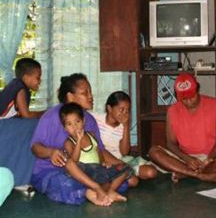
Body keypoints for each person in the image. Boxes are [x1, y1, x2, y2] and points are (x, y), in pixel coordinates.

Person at [30, 73, 138, 206]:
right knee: (64, 183)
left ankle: (98, 191)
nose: (91, 96)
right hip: (50, 171)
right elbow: (35, 147)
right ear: (70, 96)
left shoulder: (89, 120)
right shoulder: (51, 116)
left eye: (90, 92)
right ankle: (92, 192)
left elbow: (100, 151)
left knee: (126, 179)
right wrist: (50, 152)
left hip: (86, 171)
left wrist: (121, 166)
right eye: (85, 93)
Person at [149, 73, 216, 184]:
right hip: (184, 159)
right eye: (184, 99)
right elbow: (171, 143)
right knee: (153, 152)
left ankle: (184, 173)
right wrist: (187, 159)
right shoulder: (172, 111)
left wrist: (209, 159)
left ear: (197, 89)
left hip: (211, 158)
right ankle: (200, 175)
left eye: (191, 96)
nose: (189, 101)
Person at [60, 102, 133, 204]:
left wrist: (103, 163)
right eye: (69, 124)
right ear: (64, 128)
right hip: (83, 172)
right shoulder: (68, 142)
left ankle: (110, 191)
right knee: (69, 164)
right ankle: (98, 189)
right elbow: (74, 160)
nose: (75, 126)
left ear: (83, 121)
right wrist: (79, 142)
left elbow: (98, 152)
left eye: (77, 121)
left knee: (126, 167)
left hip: (97, 170)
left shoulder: (91, 135)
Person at [93, 91, 157, 180]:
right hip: (103, 160)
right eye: (121, 109)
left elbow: (124, 152)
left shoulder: (123, 126)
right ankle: (126, 173)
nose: (125, 113)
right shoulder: (96, 119)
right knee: (131, 180)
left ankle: (126, 172)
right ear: (109, 108)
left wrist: (126, 126)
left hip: (120, 160)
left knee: (150, 172)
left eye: (127, 110)